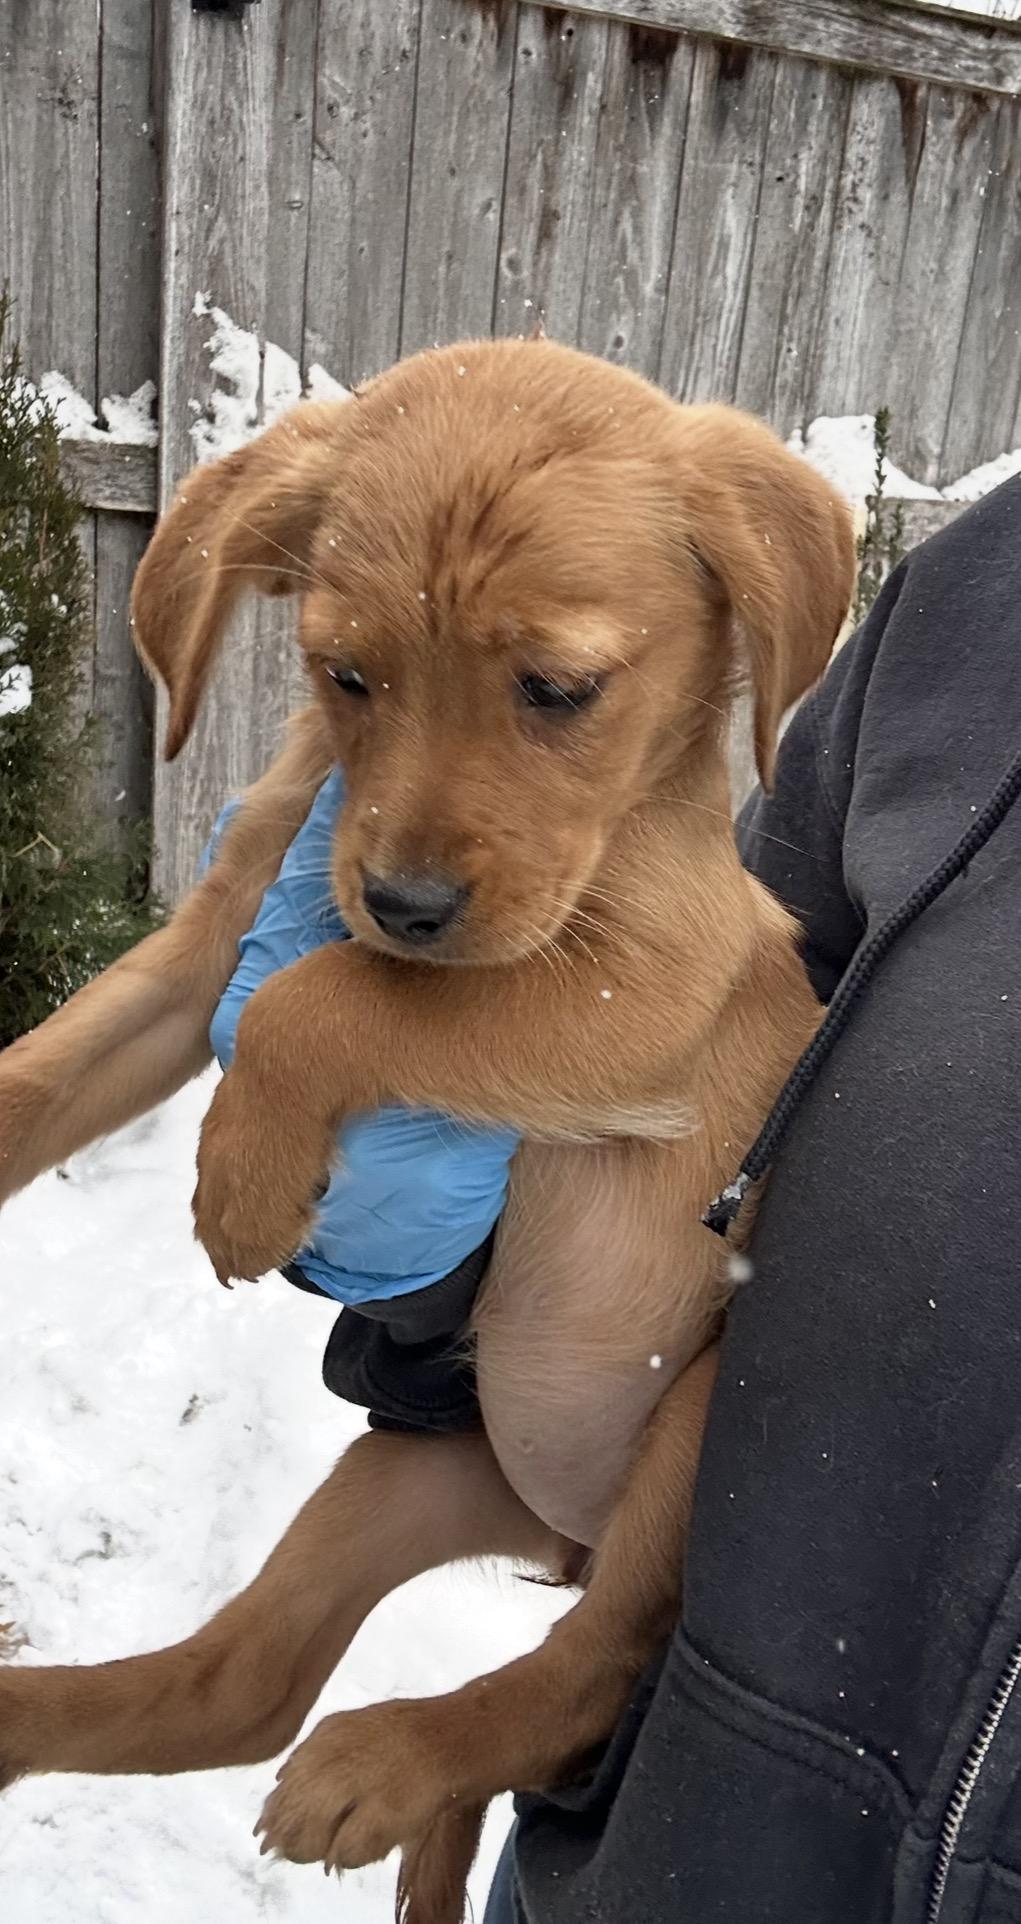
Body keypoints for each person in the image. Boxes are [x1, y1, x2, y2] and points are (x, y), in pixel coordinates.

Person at [215, 474, 1021, 1922]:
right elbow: (724, 1002)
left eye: (554, 687)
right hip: (645, 1832)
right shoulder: (980, 596)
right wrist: (448, 1291)